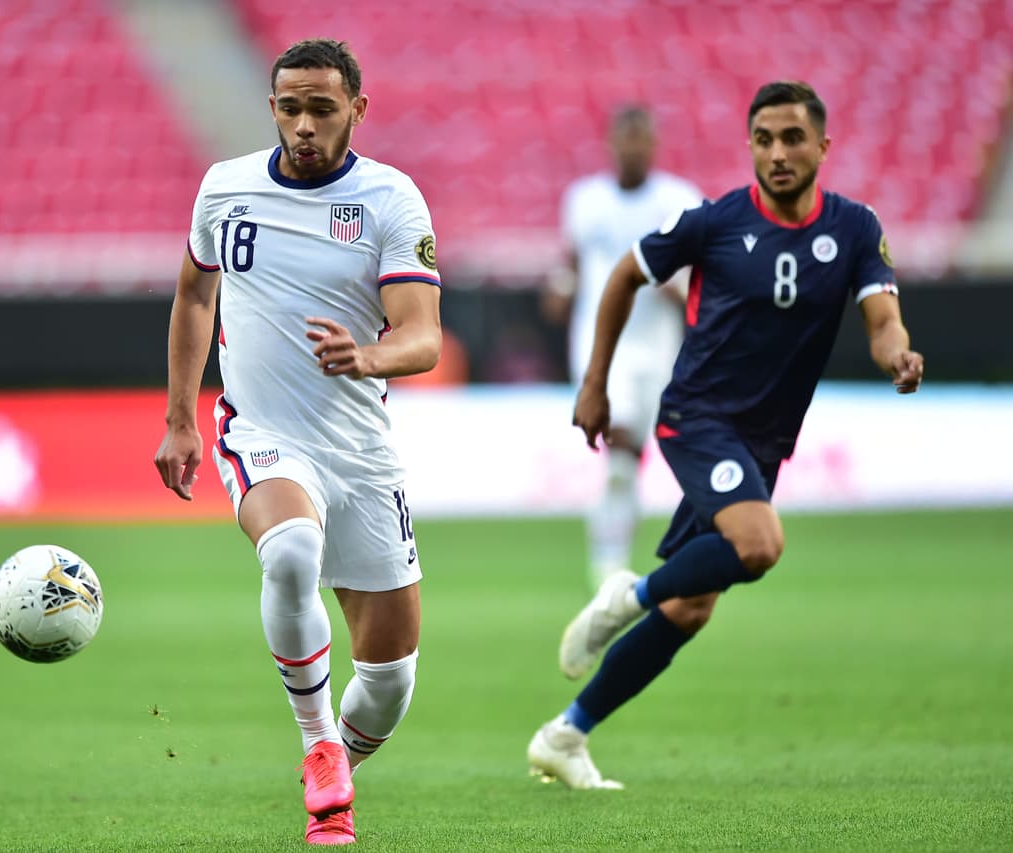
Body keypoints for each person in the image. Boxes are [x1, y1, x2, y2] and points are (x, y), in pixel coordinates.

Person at [528, 81, 924, 788]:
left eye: (793, 138)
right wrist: (595, 384)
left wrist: (897, 352)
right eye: (764, 139)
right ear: (751, 146)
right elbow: (623, 275)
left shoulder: (857, 229)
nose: (777, 152)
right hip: (698, 417)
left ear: (822, 146)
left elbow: (883, 317)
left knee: (694, 605)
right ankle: (629, 593)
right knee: (759, 543)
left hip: (765, 440)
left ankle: (566, 733)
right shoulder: (714, 222)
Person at [153, 39, 441, 846]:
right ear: (272, 107)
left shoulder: (392, 200)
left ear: (357, 107)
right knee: (287, 553)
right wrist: (181, 415)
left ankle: (338, 761)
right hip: (263, 431)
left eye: (322, 107)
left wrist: (369, 355)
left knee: (388, 684)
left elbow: (423, 339)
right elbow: (192, 293)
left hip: (361, 452)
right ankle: (317, 742)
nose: (305, 125)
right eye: (290, 107)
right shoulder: (226, 187)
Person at [543, 106, 702, 585]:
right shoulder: (585, 201)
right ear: (611, 144)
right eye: (625, 140)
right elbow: (569, 262)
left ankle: (626, 554)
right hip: (601, 345)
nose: (632, 149)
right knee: (620, 451)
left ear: (653, 145)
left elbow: (700, 277)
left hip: (661, 348)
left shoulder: (678, 200)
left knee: (636, 458)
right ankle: (608, 566)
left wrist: (680, 289)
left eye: (641, 140)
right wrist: (560, 287)